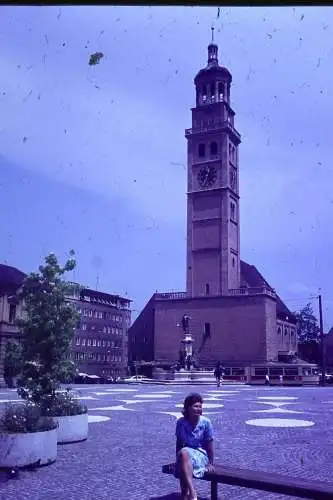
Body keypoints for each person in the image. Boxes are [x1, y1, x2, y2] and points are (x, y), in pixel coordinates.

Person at [175, 393, 214, 500]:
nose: (198, 409)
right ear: (187, 408)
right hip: (185, 455)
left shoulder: (206, 422)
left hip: (200, 454)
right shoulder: (181, 422)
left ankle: (189, 493)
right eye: (195, 406)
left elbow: (209, 444)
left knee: (183, 454)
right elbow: (179, 441)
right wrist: (177, 458)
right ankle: (190, 493)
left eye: (200, 406)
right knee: (183, 455)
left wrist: (210, 462)